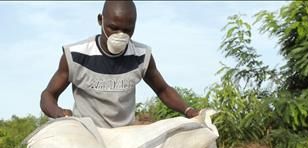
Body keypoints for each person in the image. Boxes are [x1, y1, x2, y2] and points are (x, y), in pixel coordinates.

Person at [40, 0, 200, 128]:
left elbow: (163, 89)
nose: (120, 35)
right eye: (113, 28)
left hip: (125, 138)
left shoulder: (141, 56)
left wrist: (189, 111)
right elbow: (48, 95)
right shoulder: (76, 55)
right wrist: (58, 113)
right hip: (87, 136)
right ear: (100, 20)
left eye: (127, 30)